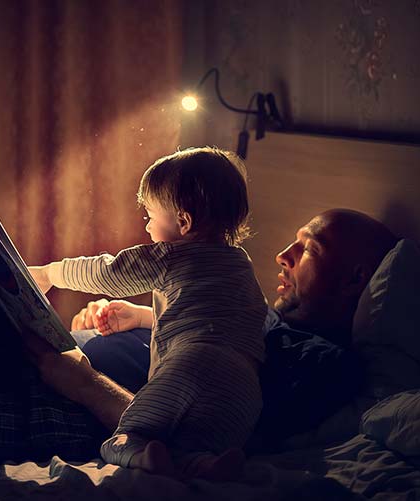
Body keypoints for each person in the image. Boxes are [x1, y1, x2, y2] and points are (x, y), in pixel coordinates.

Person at [70, 208, 398, 450]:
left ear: (354, 279)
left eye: (310, 248)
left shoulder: (322, 364)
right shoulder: (254, 317)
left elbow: (202, 432)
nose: (283, 256)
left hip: (71, 403)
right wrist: (138, 318)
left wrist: (81, 378)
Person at [28, 147, 267, 479]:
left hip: (191, 364)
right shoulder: (241, 265)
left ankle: (139, 453)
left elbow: (106, 273)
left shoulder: (172, 256)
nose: (147, 226)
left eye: (150, 216)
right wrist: (142, 316)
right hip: (243, 386)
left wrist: (47, 274)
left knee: (125, 436)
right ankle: (204, 465)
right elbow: (214, 316)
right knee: (193, 446)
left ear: (183, 222)